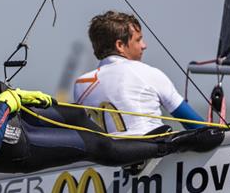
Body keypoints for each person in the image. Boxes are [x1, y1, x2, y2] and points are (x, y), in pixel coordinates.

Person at [0, 0, 223, 175]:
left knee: (78, 116)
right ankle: (176, 143)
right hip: (10, 148)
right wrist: (8, 105)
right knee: (95, 145)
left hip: (11, 117)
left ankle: (130, 149)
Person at [74, 11, 205, 136]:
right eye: (138, 40)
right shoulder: (148, 73)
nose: (144, 45)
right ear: (120, 45)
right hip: (151, 154)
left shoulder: (81, 84)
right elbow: (197, 126)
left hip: (107, 158)